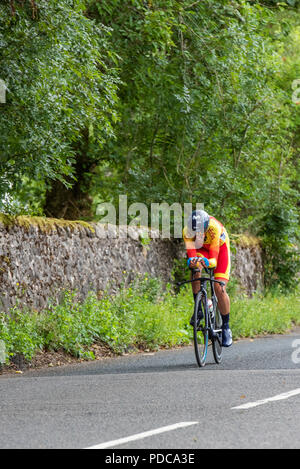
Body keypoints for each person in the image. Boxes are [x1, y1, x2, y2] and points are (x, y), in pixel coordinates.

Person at [183, 209, 232, 347]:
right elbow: (191, 254)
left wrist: (208, 262)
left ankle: (226, 327)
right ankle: (199, 308)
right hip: (201, 249)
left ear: (206, 226)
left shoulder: (214, 227)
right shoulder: (186, 231)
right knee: (195, 268)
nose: (198, 234)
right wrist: (193, 262)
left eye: (200, 231)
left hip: (219, 250)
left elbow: (214, 260)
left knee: (219, 287)